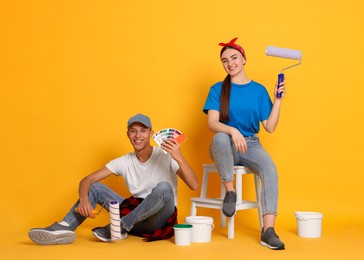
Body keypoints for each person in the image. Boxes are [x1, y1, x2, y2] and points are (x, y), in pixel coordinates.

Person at [28, 113, 199, 245]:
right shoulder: (124, 161)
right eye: (133, 131)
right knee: (95, 188)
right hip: (135, 218)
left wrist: (179, 157)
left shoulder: (166, 155)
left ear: (152, 134)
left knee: (164, 187)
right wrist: (84, 200)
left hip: (158, 221)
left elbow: (194, 184)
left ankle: (120, 226)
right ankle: (64, 227)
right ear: (128, 134)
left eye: (143, 130)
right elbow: (87, 180)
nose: (138, 135)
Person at [203, 37, 285, 250]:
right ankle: (230, 192)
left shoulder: (258, 91)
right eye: (225, 60)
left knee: (269, 167)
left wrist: (278, 100)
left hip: (251, 145)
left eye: (234, 58)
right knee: (221, 137)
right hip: (223, 145)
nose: (230, 63)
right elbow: (212, 122)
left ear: (244, 59)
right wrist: (232, 130)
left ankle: (268, 230)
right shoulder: (218, 88)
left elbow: (270, 126)